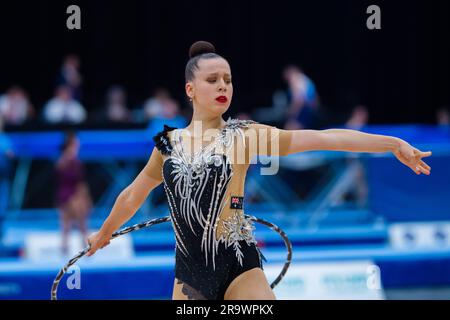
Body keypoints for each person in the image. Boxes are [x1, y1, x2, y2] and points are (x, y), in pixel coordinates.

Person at [86, 41, 432, 300]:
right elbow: (134, 193)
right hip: (189, 276)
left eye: (228, 79)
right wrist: (105, 232)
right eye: (213, 79)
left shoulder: (245, 136)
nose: (223, 85)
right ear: (190, 90)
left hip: (240, 266)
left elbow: (323, 138)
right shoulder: (167, 145)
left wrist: (390, 143)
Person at [56, 131, 92, 255]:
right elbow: (79, 182)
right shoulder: (71, 160)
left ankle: (65, 250)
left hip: (65, 193)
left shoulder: (63, 160)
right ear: (71, 144)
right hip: (72, 194)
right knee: (80, 224)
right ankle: (87, 249)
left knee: (66, 226)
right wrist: (85, 198)